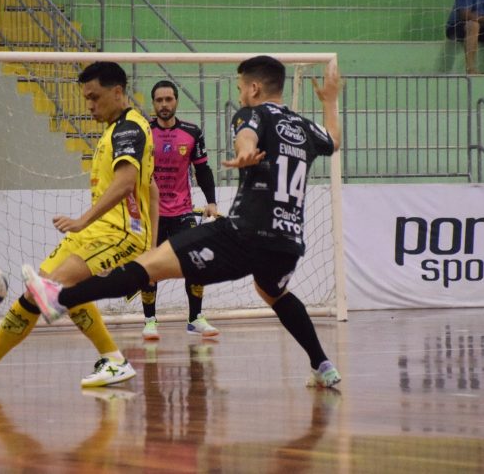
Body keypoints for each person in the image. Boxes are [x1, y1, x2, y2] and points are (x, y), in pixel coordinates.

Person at [25, 55, 344, 389]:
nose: (239, 96)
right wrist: (331, 101)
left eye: (240, 89)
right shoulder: (303, 126)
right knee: (273, 293)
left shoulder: (253, 113)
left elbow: (246, 135)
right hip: (286, 244)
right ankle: (322, 364)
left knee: (146, 265)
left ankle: (58, 298)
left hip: (242, 236)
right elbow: (333, 140)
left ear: (254, 87)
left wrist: (246, 149)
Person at [0, 61, 157, 390]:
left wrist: (84, 221)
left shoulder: (130, 129)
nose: (89, 106)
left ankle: (112, 360)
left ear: (118, 93)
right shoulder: (115, 130)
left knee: (54, 290)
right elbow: (151, 188)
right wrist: (154, 245)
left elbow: (128, 182)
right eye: (86, 98)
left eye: (95, 97)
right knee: (40, 289)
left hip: (120, 234)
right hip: (98, 232)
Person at [139, 80, 220, 340]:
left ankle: (195, 318)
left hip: (183, 212)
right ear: (153, 104)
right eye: (159, 100)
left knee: (195, 263)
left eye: (169, 99)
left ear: (176, 101)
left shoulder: (192, 132)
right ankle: (150, 320)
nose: (164, 104)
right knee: (149, 266)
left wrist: (212, 201)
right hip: (151, 214)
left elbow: (203, 169)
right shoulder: (142, 132)